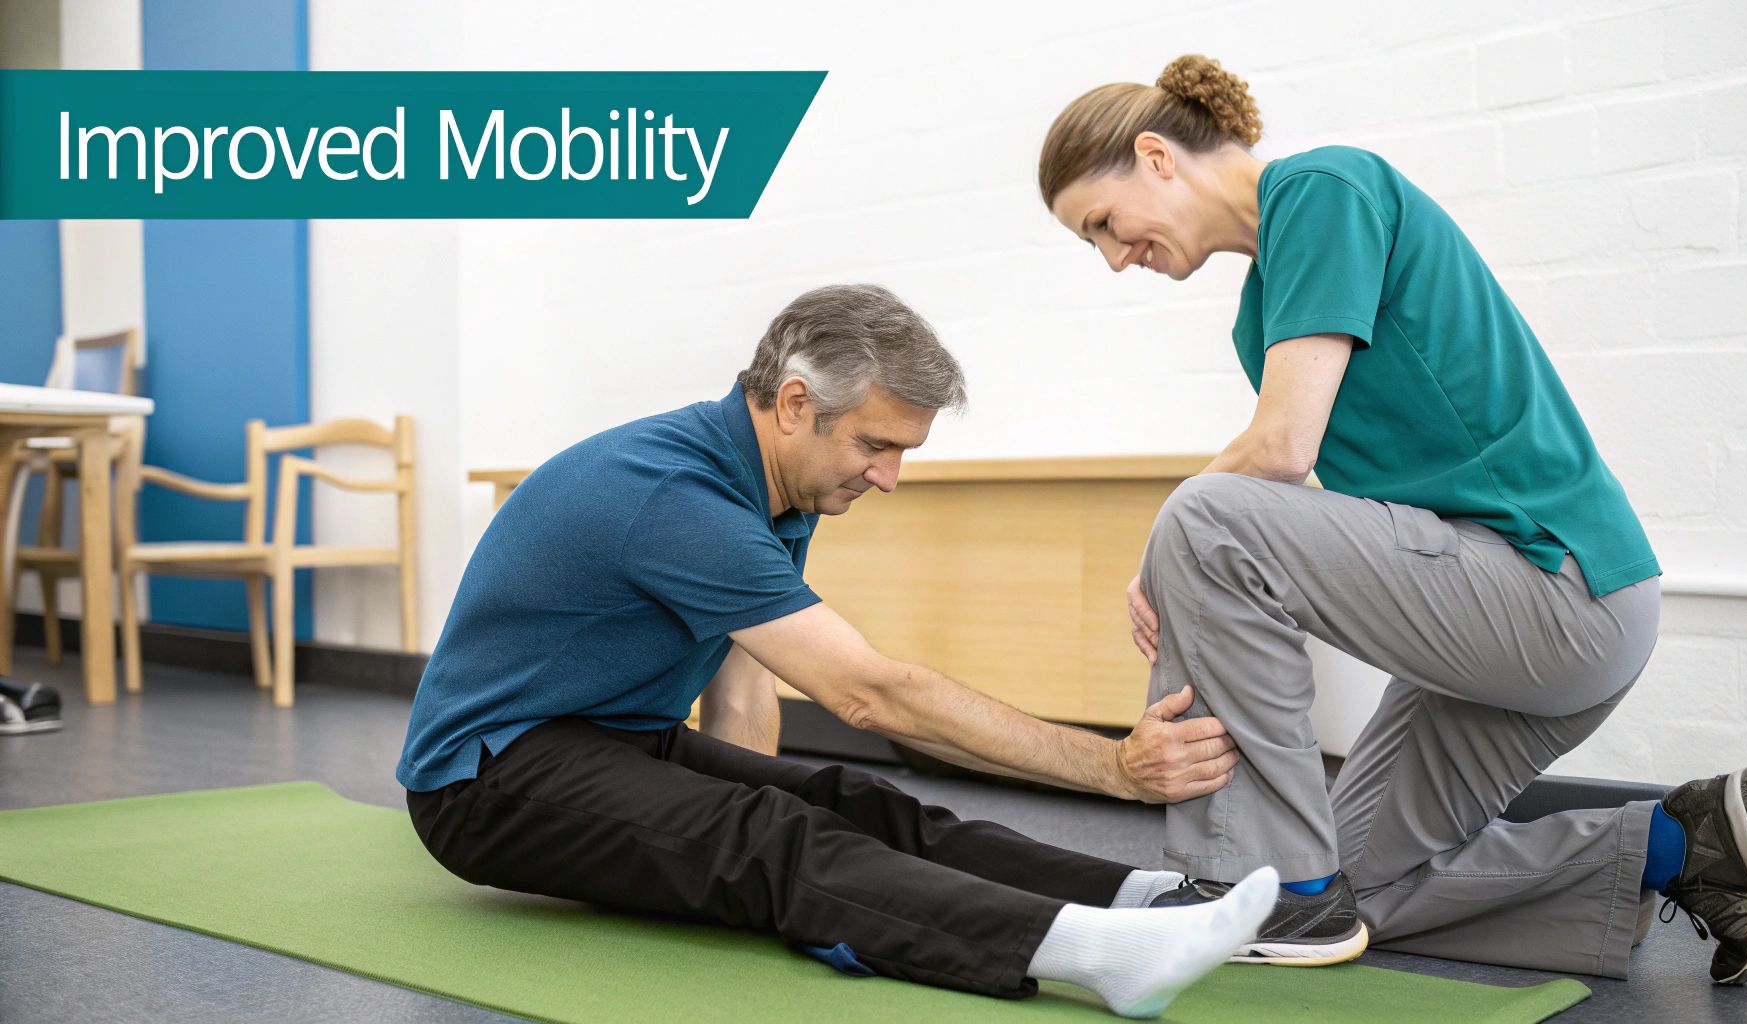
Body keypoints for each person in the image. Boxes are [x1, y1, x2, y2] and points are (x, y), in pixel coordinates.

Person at [1036, 55, 1747, 984]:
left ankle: (1252, 882)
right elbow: (1322, 515)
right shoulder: (1258, 310)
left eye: (1104, 225)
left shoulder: (1322, 189)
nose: (1115, 258)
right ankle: (1681, 847)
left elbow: (1281, 451)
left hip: (1558, 590)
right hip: (1496, 621)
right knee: (1340, 884)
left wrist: (1162, 549)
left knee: (1202, 521)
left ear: (1156, 156)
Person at [398, 284, 1277, 1018]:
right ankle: (1094, 953)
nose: (889, 476)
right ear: (793, 404)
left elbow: (741, 695)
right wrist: (1114, 769)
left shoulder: (772, 494)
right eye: (877, 444)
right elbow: (870, 696)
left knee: (850, 800)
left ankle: (1143, 900)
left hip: (608, 739)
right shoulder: (674, 496)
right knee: (775, 835)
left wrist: (711, 859)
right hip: (484, 780)